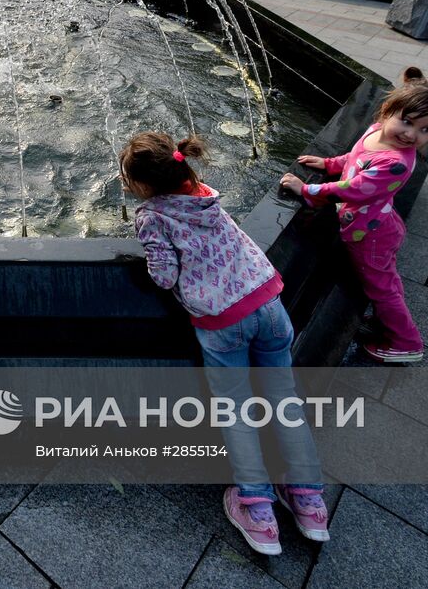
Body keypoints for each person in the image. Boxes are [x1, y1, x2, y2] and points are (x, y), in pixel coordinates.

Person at [124, 132, 329, 557]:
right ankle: (308, 500)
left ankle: (256, 508)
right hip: (269, 304)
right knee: (285, 401)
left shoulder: (151, 216)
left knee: (236, 412)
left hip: (224, 322)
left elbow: (163, 277)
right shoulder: (203, 194)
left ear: (141, 185)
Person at [280, 67, 428, 364]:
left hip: (371, 235)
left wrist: (307, 189)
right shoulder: (376, 132)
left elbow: (355, 188)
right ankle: (388, 319)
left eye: (426, 130)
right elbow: (355, 158)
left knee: (382, 287)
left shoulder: (395, 163)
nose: (412, 134)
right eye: (407, 121)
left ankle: (406, 342)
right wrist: (329, 163)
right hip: (374, 226)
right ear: (388, 111)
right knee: (386, 283)